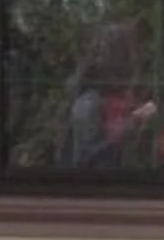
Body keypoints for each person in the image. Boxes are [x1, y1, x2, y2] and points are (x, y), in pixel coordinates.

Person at [62, 20, 157, 169]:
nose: (136, 61)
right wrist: (131, 123)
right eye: (129, 55)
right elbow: (87, 156)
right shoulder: (89, 104)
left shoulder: (122, 99)